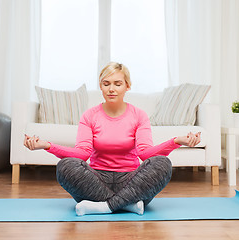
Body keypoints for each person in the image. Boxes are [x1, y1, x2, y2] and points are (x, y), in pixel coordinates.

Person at [23, 62, 201, 216]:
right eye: (106, 83)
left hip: (132, 181)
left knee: (162, 163)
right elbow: (82, 154)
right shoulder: (89, 116)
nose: (111, 89)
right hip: (96, 181)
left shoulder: (139, 115)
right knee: (65, 166)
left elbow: (145, 153)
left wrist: (176, 141)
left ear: (127, 86)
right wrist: (47, 145)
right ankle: (127, 205)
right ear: (100, 86)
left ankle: (105, 206)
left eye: (117, 83)